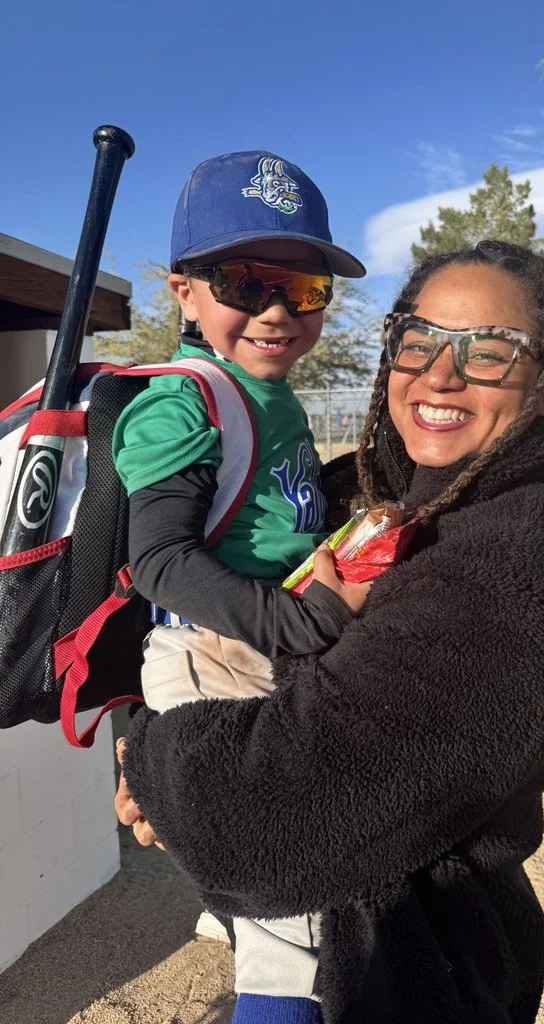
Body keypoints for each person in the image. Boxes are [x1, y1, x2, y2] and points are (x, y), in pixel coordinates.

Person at [116, 240, 544, 1024]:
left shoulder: (508, 575)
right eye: (418, 341)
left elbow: (259, 820)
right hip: (372, 944)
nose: (440, 374)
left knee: (275, 965)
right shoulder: (395, 489)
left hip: (406, 977)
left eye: (490, 351)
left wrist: (146, 757)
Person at [112, 149, 370, 1017]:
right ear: (183, 290)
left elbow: (272, 517)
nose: (274, 311)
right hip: (218, 656)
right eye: (242, 281)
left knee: (292, 887)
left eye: (302, 291)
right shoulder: (183, 403)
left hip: (259, 646)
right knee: (293, 935)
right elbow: (161, 561)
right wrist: (306, 623)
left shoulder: (275, 393)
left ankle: (232, 896)